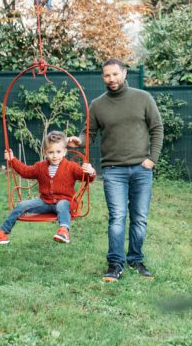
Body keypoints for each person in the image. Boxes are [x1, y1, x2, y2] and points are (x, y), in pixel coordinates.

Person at [69, 58, 162, 282]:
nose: (111, 79)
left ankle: (136, 259)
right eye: (106, 76)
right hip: (113, 171)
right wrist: (78, 141)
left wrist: (152, 160)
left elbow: (157, 128)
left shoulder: (143, 98)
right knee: (118, 217)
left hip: (142, 169)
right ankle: (115, 264)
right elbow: (88, 133)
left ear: (124, 73)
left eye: (114, 74)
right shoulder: (98, 105)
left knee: (139, 218)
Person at [0, 130, 97, 245]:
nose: (55, 156)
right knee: (22, 205)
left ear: (64, 152)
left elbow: (87, 177)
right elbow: (25, 171)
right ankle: (2, 233)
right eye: (51, 152)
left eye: (58, 152)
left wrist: (91, 172)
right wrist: (12, 160)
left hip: (65, 201)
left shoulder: (71, 167)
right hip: (45, 202)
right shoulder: (40, 167)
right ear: (45, 153)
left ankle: (63, 231)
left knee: (62, 205)